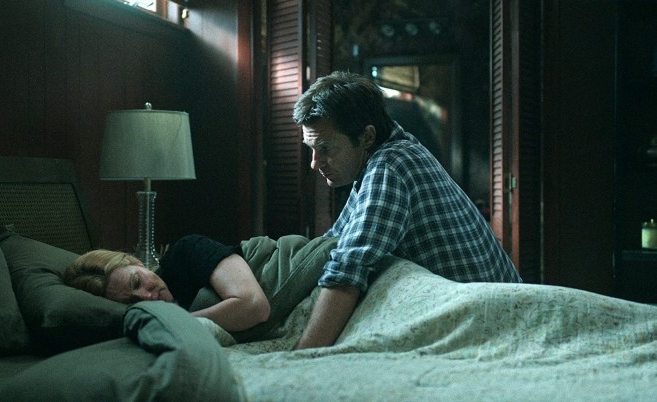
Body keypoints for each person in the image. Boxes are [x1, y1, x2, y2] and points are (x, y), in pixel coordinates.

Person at [292, 71, 522, 349]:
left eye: (326, 148)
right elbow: (333, 242)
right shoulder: (380, 161)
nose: (315, 163)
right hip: (492, 309)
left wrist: (304, 353)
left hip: (496, 325)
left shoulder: (391, 164)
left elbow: (348, 267)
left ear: (367, 137)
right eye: (311, 149)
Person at [63, 234, 271, 333]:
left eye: (137, 282)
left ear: (137, 262)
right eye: (132, 302)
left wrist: (173, 321)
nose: (147, 297)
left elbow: (254, 306)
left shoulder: (186, 252)